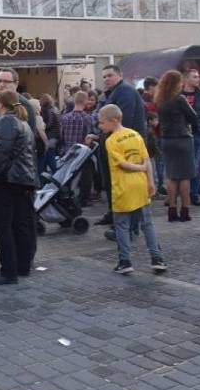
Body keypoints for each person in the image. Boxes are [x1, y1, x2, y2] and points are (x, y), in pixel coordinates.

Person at [97, 104, 167, 275]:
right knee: (147, 223)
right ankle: (157, 259)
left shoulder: (111, 140)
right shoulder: (135, 135)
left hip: (123, 187)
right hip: (141, 185)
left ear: (113, 121)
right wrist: (150, 181)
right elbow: (147, 160)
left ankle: (125, 261)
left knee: (121, 225)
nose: (100, 126)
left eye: (102, 123)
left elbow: (122, 163)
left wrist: (140, 169)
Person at [0, 90, 38, 284]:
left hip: (7, 181)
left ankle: (9, 272)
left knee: (3, 226)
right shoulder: (23, 123)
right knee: (18, 224)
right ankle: (22, 266)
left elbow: (0, 154)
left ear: (0, 104)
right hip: (22, 181)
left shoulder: (6, 122)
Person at [89, 64, 146, 227]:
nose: (106, 79)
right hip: (109, 144)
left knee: (123, 185)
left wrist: (103, 135)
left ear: (119, 75)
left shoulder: (125, 91)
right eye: (104, 76)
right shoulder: (111, 93)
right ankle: (114, 213)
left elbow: (122, 122)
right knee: (110, 182)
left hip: (123, 147)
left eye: (110, 75)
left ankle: (127, 224)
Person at [155, 70, 198, 222]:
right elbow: (193, 116)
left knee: (172, 176)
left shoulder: (160, 100)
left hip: (166, 139)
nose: (182, 84)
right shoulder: (179, 99)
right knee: (185, 176)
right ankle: (185, 211)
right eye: (180, 82)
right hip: (182, 138)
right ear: (175, 84)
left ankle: (172, 210)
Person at [181, 70, 200, 207]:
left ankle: (194, 194)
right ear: (186, 79)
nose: (198, 79)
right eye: (195, 76)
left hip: (197, 135)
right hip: (180, 135)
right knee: (180, 166)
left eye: (198, 76)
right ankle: (179, 194)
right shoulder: (178, 94)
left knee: (196, 165)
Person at [60, 91, 94, 206]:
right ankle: (84, 199)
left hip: (68, 152)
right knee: (86, 175)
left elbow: (62, 136)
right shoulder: (87, 118)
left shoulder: (65, 118)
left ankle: (67, 196)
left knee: (68, 176)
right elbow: (89, 136)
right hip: (82, 153)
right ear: (85, 101)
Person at [39, 93, 62, 173]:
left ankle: (56, 174)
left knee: (50, 155)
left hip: (51, 136)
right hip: (57, 135)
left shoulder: (49, 111)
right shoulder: (55, 109)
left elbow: (49, 124)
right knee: (51, 155)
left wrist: (42, 125)